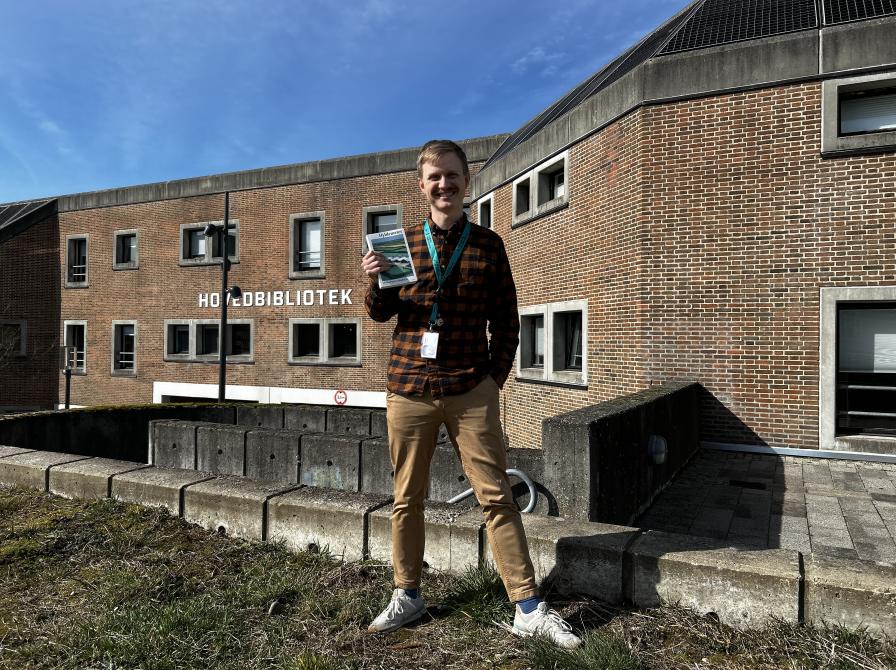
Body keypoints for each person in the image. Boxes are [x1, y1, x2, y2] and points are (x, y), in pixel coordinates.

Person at [361, 139, 581, 649]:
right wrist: (374, 284)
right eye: (435, 177)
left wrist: (492, 381)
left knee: (497, 497)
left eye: (453, 175)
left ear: (466, 180)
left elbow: (507, 321)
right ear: (422, 185)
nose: (444, 184)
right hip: (409, 388)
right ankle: (407, 594)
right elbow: (380, 314)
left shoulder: (488, 245)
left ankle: (527, 606)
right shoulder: (399, 244)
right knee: (406, 499)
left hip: (469, 388)